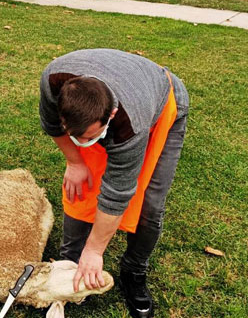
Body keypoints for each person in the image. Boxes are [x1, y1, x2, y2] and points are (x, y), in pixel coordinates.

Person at [38, 48, 190, 318]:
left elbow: (117, 193)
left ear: (111, 114)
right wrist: (75, 162)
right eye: (77, 137)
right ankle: (70, 263)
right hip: (118, 91)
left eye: (89, 137)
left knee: (149, 204)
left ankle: (134, 270)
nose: (83, 144)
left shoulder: (132, 122)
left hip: (162, 103)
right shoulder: (53, 83)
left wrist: (96, 250)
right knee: (82, 188)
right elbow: (51, 125)